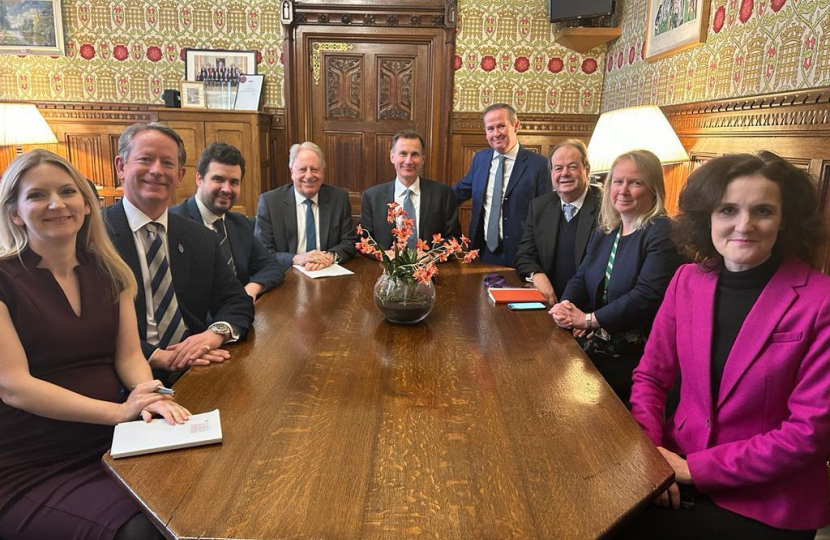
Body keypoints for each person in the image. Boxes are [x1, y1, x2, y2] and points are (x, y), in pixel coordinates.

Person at [619, 152, 830, 540]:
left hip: (767, 498)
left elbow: (808, 435)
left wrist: (693, 470)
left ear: (785, 221)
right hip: (673, 462)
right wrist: (652, 460)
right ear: (708, 218)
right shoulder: (686, 280)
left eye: (763, 211)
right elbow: (650, 377)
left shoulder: (821, 300)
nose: (743, 225)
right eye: (728, 209)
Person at [0, 149, 190, 540]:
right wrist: (120, 412)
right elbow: (13, 385)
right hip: (33, 462)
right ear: (15, 212)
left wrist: (150, 395)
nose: (56, 204)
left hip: (113, 444)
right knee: (146, 531)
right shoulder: (3, 279)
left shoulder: (109, 272)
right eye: (37, 195)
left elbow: (129, 357)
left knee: (197, 495)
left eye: (68, 191)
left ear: (86, 205)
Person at [104, 122, 254, 377]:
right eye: (146, 159)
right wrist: (156, 356)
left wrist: (214, 334)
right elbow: (91, 325)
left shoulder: (201, 238)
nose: (157, 171)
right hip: (121, 376)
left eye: (168, 164)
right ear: (121, 166)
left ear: (180, 176)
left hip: (196, 366)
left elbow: (237, 301)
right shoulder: (93, 236)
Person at [550, 149, 682, 404]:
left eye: (635, 182)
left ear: (653, 189)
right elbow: (581, 276)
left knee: (565, 391)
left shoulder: (663, 232)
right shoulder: (606, 230)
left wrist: (590, 320)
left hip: (637, 355)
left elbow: (646, 297)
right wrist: (567, 306)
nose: (623, 190)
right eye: (618, 182)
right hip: (601, 339)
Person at [170, 142, 287, 302]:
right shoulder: (174, 222)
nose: (226, 189)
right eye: (218, 179)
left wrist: (253, 287)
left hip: (242, 313)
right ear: (199, 178)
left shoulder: (239, 223)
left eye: (234, 182)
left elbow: (272, 266)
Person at [452, 103, 551, 267]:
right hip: (482, 252)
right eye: (490, 128)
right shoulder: (480, 159)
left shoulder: (539, 166)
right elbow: (459, 192)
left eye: (501, 126)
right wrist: (428, 199)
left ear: (516, 126)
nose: (496, 133)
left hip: (521, 256)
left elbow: (546, 216)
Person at [514, 139, 602, 305]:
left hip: (590, 309)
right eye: (558, 168)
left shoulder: (606, 209)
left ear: (587, 170)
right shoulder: (539, 206)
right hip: (548, 304)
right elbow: (524, 255)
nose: (565, 173)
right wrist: (537, 275)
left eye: (572, 166)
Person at [255, 141, 356, 270]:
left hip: (327, 271)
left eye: (314, 169)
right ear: (292, 171)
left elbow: (349, 241)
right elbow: (261, 252)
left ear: (323, 172)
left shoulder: (338, 199)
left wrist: (329, 257)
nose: (309, 176)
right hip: (286, 274)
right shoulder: (270, 202)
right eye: (302, 169)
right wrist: (296, 259)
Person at [360, 130, 460, 250]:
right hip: (385, 266)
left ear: (422, 159)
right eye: (403, 154)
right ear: (392, 157)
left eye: (415, 154)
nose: (408, 161)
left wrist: (431, 255)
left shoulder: (443, 194)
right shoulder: (372, 197)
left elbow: (454, 237)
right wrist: (384, 256)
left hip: (430, 266)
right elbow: (364, 239)